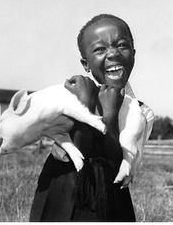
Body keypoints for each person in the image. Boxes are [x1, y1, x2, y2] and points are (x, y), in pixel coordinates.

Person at [29, 14, 154, 222]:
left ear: (133, 54)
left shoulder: (142, 113)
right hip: (62, 192)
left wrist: (111, 114)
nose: (113, 53)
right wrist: (85, 104)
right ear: (86, 64)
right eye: (100, 49)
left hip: (111, 199)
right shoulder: (69, 97)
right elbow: (79, 154)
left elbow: (116, 167)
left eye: (121, 45)